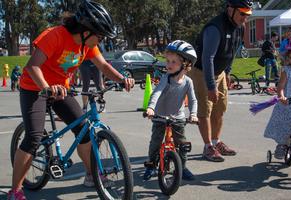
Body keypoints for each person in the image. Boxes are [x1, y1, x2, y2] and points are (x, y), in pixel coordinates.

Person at [7, 1, 134, 199]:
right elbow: (32, 66)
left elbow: (104, 66)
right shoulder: (55, 35)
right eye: (99, 36)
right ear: (85, 30)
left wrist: (122, 79)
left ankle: (91, 175)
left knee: (83, 130)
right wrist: (46, 88)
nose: (99, 41)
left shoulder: (88, 45)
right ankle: (15, 190)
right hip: (34, 87)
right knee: (34, 137)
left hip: (62, 90)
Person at [189, 0, 252, 162]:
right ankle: (208, 147)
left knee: (220, 109)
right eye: (242, 14)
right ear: (230, 9)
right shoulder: (215, 28)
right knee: (205, 111)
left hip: (221, 73)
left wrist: (228, 72)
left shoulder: (240, 27)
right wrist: (211, 86)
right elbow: (207, 58)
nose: (245, 18)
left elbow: (232, 51)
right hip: (202, 72)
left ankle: (216, 142)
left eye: (247, 14)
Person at [143, 40, 198, 181]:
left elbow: (192, 100)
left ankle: (182, 167)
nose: (168, 65)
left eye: (173, 62)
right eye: (167, 61)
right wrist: (150, 108)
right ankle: (150, 165)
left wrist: (193, 114)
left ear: (185, 65)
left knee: (182, 144)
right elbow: (157, 92)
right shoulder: (165, 78)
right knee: (155, 142)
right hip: (160, 115)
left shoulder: (188, 82)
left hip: (177, 117)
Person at [264, 35, 291, 159]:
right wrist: (282, 96)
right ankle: (282, 144)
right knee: (285, 123)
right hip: (288, 101)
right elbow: (281, 86)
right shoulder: (287, 70)